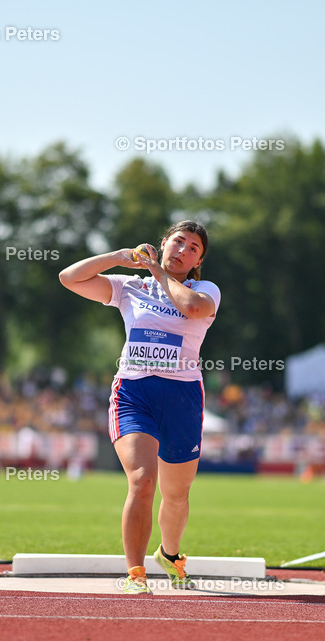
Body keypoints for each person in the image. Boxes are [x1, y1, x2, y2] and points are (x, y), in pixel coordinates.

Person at [59, 220, 219, 594]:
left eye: (193, 248)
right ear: (163, 243)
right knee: (143, 480)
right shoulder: (129, 287)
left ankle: (170, 553)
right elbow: (69, 277)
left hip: (182, 399)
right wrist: (118, 258)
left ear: (198, 261)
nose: (183, 250)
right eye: (178, 241)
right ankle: (135, 574)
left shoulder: (204, 289)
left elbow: (194, 309)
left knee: (177, 494)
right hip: (135, 393)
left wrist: (159, 272)